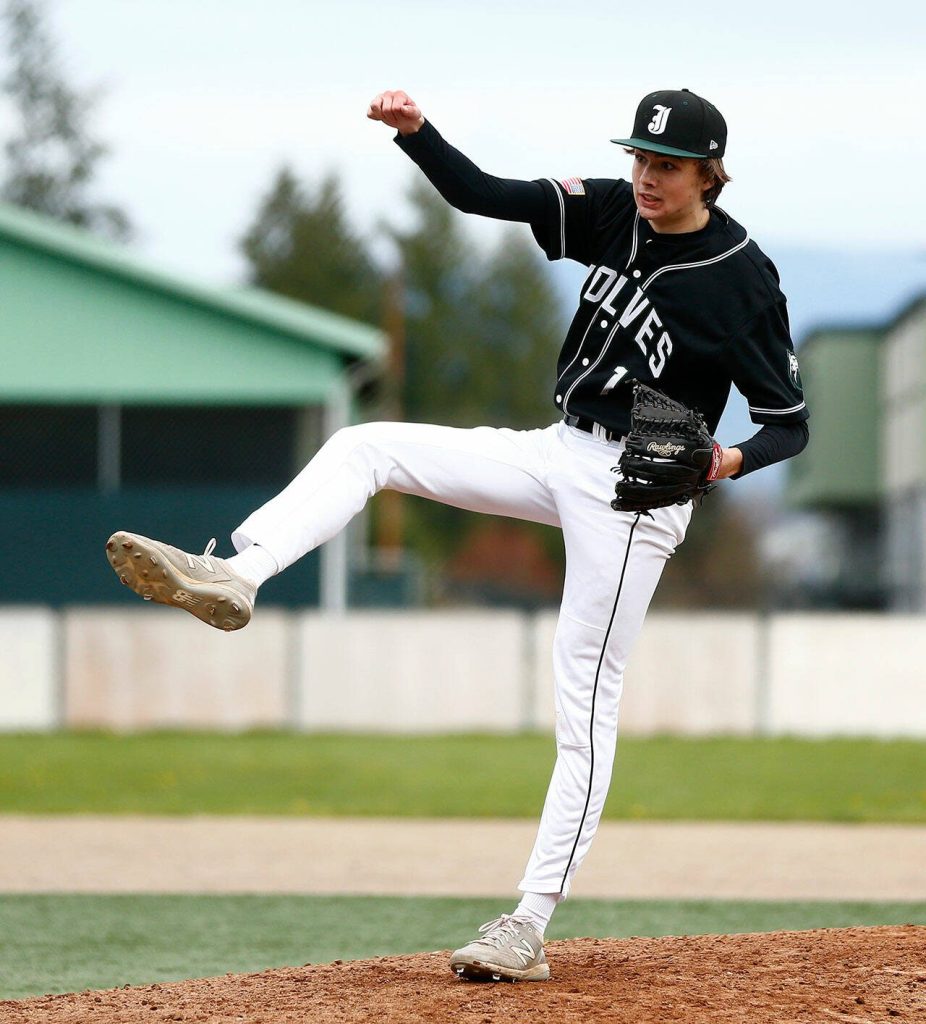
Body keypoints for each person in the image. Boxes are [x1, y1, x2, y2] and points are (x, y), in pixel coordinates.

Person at [107, 87, 809, 983]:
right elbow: (481, 193)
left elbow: (789, 421)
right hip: (563, 448)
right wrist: (417, 135)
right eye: (638, 157)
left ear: (709, 171)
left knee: (584, 706)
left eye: (665, 166)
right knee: (369, 445)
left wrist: (724, 464)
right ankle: (241, 574)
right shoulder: (612, 210)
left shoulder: (742, 274)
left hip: (639, 490)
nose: (644, 177)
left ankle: (527, 923)